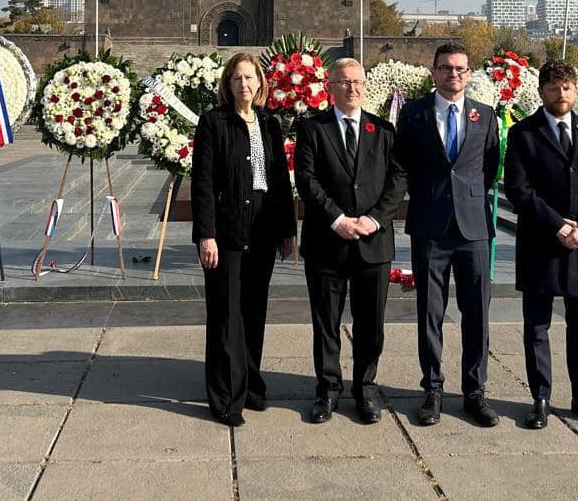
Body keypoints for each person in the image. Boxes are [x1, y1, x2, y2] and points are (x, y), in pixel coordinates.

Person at [503, 59, 578, 430]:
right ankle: (540, 399)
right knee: (537, 328)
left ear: (575, 90)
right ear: (541, 91)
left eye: (566, 87)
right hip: (541, 244)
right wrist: (556, 225)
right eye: (553, 88)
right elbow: (518, 189)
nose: (560, 94)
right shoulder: (524, 133)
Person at [294, 58, 406, 424]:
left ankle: (365, 388)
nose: (352, 88)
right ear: (330, 87)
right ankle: (327, 390)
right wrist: (337, 219)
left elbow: (397, 180)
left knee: (370, 323)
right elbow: (306, 179)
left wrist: (373, 219)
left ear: (365, 86)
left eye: (357, 81)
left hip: (373, 243)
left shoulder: (384, 130)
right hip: (327, 242)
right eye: (343, 81)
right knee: (326, 322)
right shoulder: (313, 129)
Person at [395, 42, 500, 427]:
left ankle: (474, 391)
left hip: (473, 228)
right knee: (430, 312)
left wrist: (466, 198)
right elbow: (403, 162)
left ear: (468, 73)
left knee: (477, 313)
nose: (452, 74)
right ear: (433, 71)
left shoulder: (485, 115)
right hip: (430, 225)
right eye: (445, 68)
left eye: (459, 68)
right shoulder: (414, 114)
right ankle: (433, 390)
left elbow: (489, 166)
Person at [192, 52, 297, 427]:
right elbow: (203, 182)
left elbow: (281, 180)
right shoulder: (214, 122)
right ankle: (225, 397)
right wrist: (206, 234)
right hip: (228, 227)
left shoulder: (269, 123)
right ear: (228, 83)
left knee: (254, 310)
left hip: (263, 226)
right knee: (226, 313)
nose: (244, 84)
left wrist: (288, 229)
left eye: (250, 77)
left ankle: (250, 384)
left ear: (260, 83)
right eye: (237, 78)